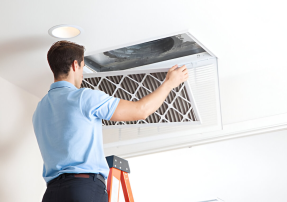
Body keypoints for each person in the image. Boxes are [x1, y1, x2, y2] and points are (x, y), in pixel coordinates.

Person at [32, 40, 189, 202]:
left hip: (51, 195)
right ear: (75, 65)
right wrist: (170, 83)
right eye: (83, 67)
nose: (82, 74)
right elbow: (140, 111)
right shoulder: (84, 97)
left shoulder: (39, 110)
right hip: (82, 189)